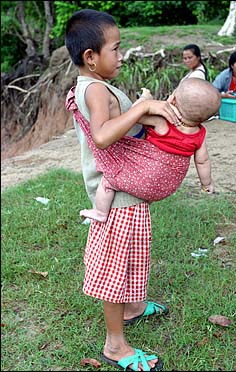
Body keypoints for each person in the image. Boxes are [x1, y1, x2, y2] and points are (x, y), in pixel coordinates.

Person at [64, 9, 185, 371]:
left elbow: (125, 127)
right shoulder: (96, 88)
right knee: (115, 269)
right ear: (91, 57)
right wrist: (146, 106)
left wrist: (152, 108)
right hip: (117, 196)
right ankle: (115, 344)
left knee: (131, 259)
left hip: (123, 192)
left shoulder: (92, 85)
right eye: (115, 49)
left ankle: (132, 308)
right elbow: (102, 135)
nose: (120, 56)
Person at [74, 78, 220, 223]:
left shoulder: (162, 121)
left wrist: (145, 101)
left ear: (173, 100)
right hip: (167, 187)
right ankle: (142, 198)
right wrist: (206, 184)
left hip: (146, 180)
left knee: (109, 180)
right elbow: (202, 161)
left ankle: (100, 212)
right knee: (147, 183)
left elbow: (133, 114)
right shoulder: (199, 134)